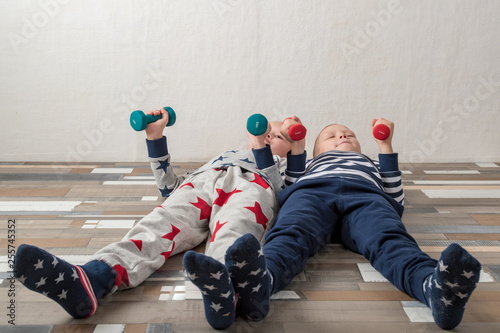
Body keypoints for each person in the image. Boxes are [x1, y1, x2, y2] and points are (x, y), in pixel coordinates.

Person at [14, 109, 306, 330]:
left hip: (252, 189)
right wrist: (154, 136)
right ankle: (93, 277)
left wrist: (270, 147)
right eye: (266, 133)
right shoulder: (223, 156)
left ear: (291, 147)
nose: (268, 137)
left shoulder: (279, 167)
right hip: (201, 184)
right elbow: (169, 187)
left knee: (236, 228)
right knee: (158, 224)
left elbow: (286, 194)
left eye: (277, 136)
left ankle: (226, 294)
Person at [225, 118, 482, 331]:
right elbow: (285, 186)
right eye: (332, 136)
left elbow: (395, 194)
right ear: (317, 152)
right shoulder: (311, 165)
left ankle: (434, 290)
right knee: (290, 234)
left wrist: (385, 143)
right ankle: (262, 282)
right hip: (312, 194)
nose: (342, 137)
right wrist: (281, 148)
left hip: (365, 198)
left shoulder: (369, 164)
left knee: (390, 239)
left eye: (348, 134)